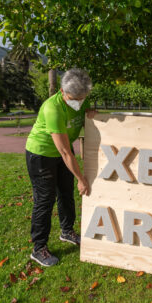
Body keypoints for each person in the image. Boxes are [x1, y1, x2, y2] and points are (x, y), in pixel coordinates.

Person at [25, 68, 96, 267]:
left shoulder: (82, 99)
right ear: (63, 92)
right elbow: (66, 152)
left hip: (62, 153)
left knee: (66, 192)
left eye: (83, 99)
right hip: (41, 154)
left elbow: (85, 119)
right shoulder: (52, 108)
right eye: (75, 98)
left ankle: (67, 231)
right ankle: (39, 248)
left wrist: (91, 115)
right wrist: (82, 179)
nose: (79, 103)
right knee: (45, 199)